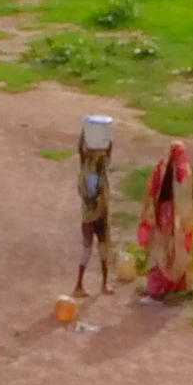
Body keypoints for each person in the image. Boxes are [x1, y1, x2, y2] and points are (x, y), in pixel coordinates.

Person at [135, 140, 193, 304]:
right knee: (176, 252)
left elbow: (153, 191)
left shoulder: (163, 168)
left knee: (159, 254)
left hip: (164, 216)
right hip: (176, 220)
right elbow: (188, 199)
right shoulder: (185, 173)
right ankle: (176, 286)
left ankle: (157, 291)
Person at [72, 114, 121, 297]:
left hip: (97, 214)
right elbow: (83, 151)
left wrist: (105, 139)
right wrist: (85, 135)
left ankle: (100, 284)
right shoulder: (92, 171)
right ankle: (82, 285)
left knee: (101, 249)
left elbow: (104, 152)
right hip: (93, 215)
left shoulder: (92, 170)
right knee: (90, 249)